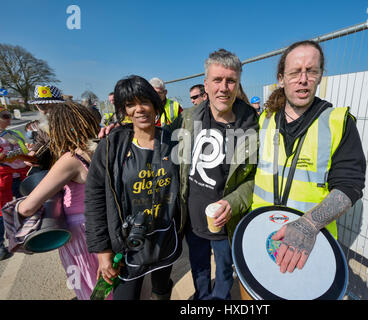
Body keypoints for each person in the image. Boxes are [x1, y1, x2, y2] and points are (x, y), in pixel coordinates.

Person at [251, 40, 366, 273]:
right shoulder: (265, 121)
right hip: (261, 233)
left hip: (310, 244)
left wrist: (308, 225)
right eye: (295, 72)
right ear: (281, 79)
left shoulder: (338, 123)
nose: (303, 79)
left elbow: (349, 185)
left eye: (311, 71)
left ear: (320, 75)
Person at [170, 49, 258, 300]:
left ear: (238, 83)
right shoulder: (188, 118)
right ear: (206, 84)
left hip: (226, 221)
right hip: (193, 218)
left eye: (230, 80)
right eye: (217, 80)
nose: (224, 87)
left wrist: (233, 202)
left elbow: (256, 178)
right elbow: (158, 141)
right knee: (198, 268)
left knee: (224, 273)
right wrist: (121, 131)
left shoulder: (252, 126)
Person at [84, 75, 182, 300]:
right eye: (130, 104)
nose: (139, 109)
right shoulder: (111, 145)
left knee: (162, 289)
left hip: (165, 239)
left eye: (144, 101)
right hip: (127, 245)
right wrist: (103, 252)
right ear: (124, 110)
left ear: (155, 104)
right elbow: (95, 198)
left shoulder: (175, 142)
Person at [16, 101, 101, 299]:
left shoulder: (71, 159)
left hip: (80, 234)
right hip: (104, 225)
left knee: (88, 286)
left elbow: (28, 207)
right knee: (109, 281)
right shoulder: (102, 149)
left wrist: (16, 207)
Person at [0, 106, 29, 260]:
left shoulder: (14, 133)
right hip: (3, 177)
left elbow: (24, 150)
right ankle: (0, 246)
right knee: (1, 211)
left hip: (19, 175)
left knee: (22, 206)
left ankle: (21, 236)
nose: (9, 118)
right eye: (5, 116)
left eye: (9, 115)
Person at [26, 85, 66, 173]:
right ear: (36, 106)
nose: (49, 110)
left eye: (53, 106)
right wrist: (32, 152)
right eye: (42, 106)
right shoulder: (41, 123)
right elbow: (40, 141)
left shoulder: (72, 121)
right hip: (51, 168)